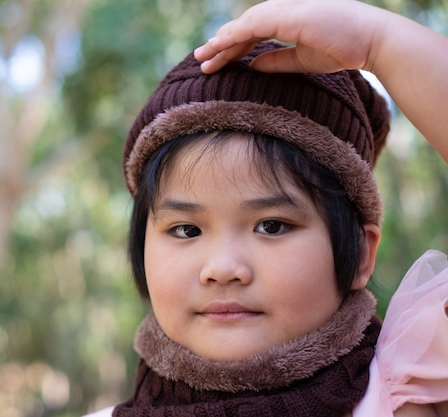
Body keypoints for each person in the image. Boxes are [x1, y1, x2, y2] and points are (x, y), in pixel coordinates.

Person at [85, 0, 448, 415]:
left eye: (271, 226)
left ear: (361, 253)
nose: (222, 269)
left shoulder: (410, 390)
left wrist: (378, 43)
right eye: (187, 230)